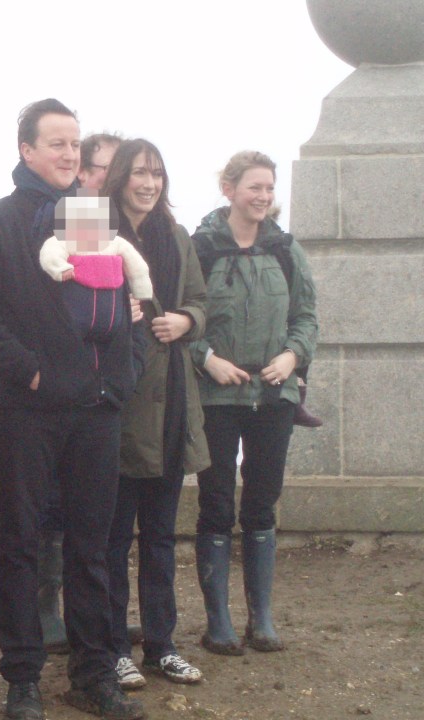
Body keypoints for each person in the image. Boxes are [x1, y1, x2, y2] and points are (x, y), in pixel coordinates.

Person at [0, 99, 145, 720]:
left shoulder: (93, 217)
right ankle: (23, 679)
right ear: (25, 150)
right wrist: (28, 371)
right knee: (21, 544)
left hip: (97, 412)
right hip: (30, 412)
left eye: (75, 144)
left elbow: (118, 311)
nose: (69, 155)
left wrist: (122, 376)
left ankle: (93, 675)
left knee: (92, 546)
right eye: (57, 144)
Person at [190, 150, 318, 656]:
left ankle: (260, 620)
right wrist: (207, 359)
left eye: (269, 188)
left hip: (273, 395)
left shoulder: (287, 251)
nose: (263, 197)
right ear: (229, 189)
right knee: (216, 503)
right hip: (216, 397)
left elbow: (307, 316)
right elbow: (178, 318)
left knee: (261, 503)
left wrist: (292, 356)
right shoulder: (199, 249)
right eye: (253, 187)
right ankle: (218, 623)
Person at [98, 139, 209, 691]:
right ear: (119, 178)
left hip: (172, 407)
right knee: (114, 540)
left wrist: (185, 319)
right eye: (140, 173)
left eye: (157, 174)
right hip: (118, 408)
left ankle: (162, 644)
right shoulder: (96, 231)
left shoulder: (177, 236)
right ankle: (115, 646)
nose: (149, 183)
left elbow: (201, 300)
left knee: (162, 538)